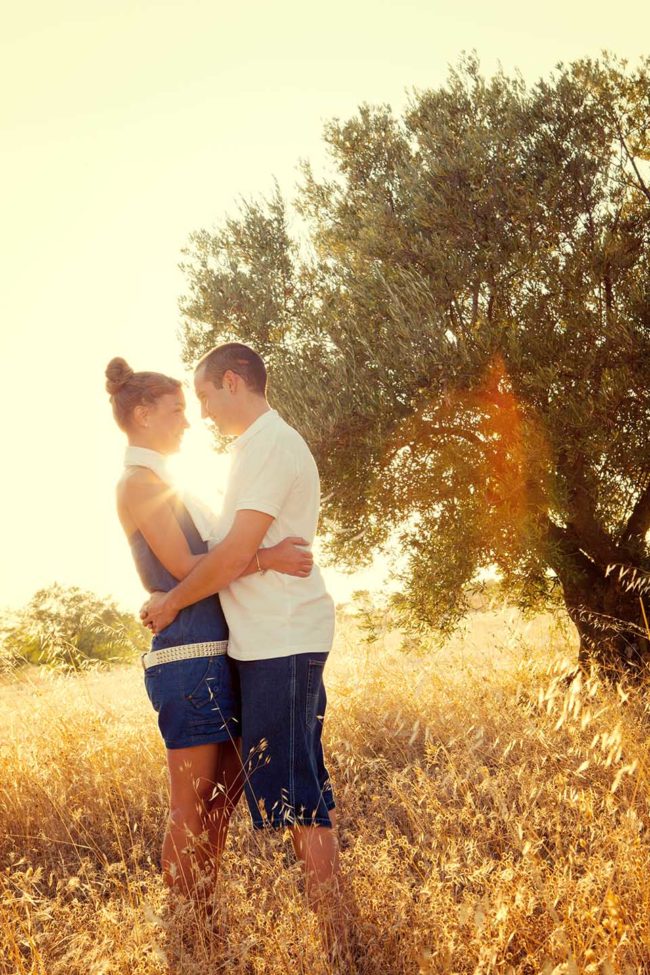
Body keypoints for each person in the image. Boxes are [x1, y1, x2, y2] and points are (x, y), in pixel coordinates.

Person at [140, 343, 340, 913]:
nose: (201, 413)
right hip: (264, 643)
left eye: (203, 397)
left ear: (232, 382)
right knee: (288, 788)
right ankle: (328, 930)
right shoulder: (249, 450)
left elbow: (231, 556)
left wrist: (172, 601)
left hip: (283, 639)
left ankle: (334, 939)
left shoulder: (271, 446)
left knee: (298, 795)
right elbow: (233, 553)